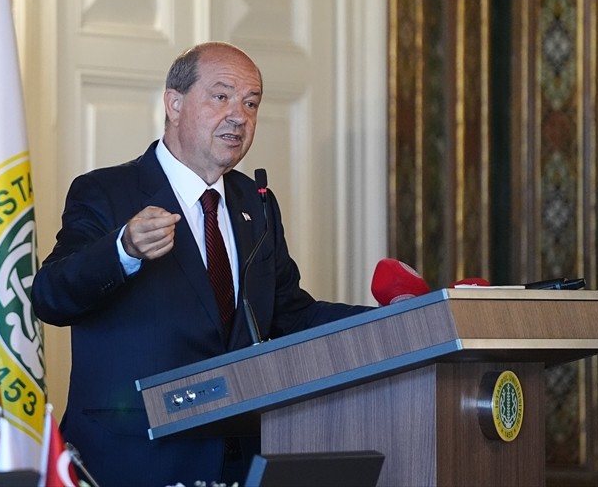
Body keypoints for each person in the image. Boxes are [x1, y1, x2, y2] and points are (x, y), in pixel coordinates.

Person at [31, 42, 369, 487]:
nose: (239, 116)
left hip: (239, 461)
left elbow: (289, 314)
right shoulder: (107, 192)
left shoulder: (256, 204)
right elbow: (51, 297)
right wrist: (122, 250)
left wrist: (399, 318)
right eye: (222, 96)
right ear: (174, 103)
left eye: (251, 103)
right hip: (136, 461)